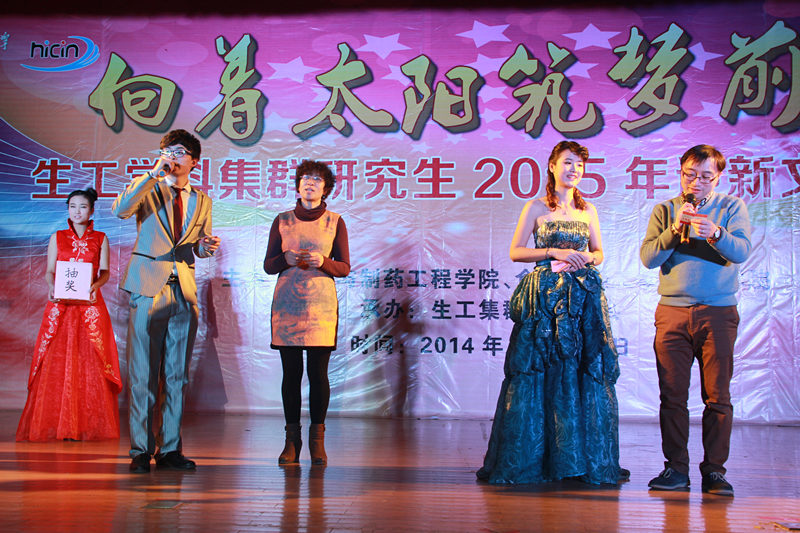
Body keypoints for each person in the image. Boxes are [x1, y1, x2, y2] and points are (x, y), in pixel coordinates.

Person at [477, 141, 623, 485]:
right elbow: (516, 252)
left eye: (580, 165)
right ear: (553, 166)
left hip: (581, 299)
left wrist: (587, 258)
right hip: (544, 299)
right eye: (568, 163)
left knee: (579, 370)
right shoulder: (536, 206)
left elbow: (599, 252)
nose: (574, 170)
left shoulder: (588, 209)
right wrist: (552, 251)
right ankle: (536, 460)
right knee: (540, 369)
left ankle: (576, 461)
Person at [640, 144, 751, 496]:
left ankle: (715, 471)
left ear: (718, 177)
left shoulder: (731, 207)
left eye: (705, 176)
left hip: (718, 313)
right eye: (690, 174)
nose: (696, 182)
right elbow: (648, 258)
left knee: (717, 396)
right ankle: (675, 469)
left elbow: (741, 251)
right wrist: (675, 230)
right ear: (681, 173)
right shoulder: (665, 210)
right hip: (672, 312)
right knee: (672, 396)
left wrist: (715, 232)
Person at [112, 129, 220, 473]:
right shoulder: (149, 186)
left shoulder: (202, 200)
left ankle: (170, 448)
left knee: (176, 376)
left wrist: (205, 247)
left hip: (183, 290)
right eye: (169, 150)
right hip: (148, 285)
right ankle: (140, 450)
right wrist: (151, 175)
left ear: (194, 161)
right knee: (143, 372)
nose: (174, 156)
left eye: (181, 151)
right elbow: (120, 210)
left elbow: (197, 247)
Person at [16, 188, 122, 441]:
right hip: (61, 307)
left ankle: (85, 425)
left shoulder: (101, 238)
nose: (77, 211)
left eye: (83, 207)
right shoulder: (58, 237)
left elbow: (105, 271)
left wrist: (96, 286)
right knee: (57, 361)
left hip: (89, 306)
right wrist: (52, 286)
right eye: (72, 206)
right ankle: (56, 424)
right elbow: (50, 270)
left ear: (92, 210)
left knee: (90, 362)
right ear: (67, 209)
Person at [263, 160, 350, 466]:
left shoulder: (335, 221)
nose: (310, 183)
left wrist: (323, 262)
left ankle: (317, 441)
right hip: (287, 305)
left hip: (320, 308)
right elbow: (268, 265)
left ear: (326, 188)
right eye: (305, 178)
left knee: (318, 374)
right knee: (291, 375)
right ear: (298, 186)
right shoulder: (282, 220)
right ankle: (291, 441)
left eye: (316, 179)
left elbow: (344, 267)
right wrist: (284, 258)